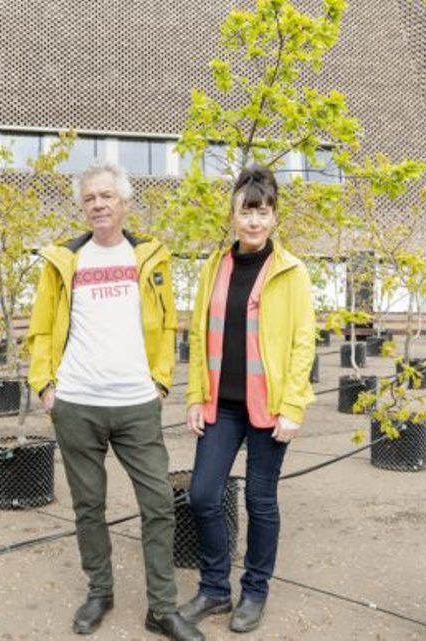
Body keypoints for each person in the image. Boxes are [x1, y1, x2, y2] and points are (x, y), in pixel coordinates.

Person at [27, 161, 203, 641]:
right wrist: (45, 385)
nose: (98, 204)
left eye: (107, 196)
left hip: (135, 403)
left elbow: (168, 323)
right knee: (89, 505)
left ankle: (162, 608)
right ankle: (99, 592)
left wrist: (160, 383)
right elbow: (41, 327)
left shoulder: (150, 256)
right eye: (90, 198)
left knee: (158, 504)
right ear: (83, 208)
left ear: (125, 203)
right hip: (77, 402)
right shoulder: (64, 260)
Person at [179, 165, 316, 634]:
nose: (254, 221)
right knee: (202, 495)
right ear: (233, 214)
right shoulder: (214, 267)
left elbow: (303, 343)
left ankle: (254, 591)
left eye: (263, 212)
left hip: (269, 408)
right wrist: (196, 397)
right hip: (222, 404)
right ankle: (215, 589)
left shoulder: (291, 272)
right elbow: (198, 336)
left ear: (274, 217)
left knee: (260, 501)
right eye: (246, 212)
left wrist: (293, 407)